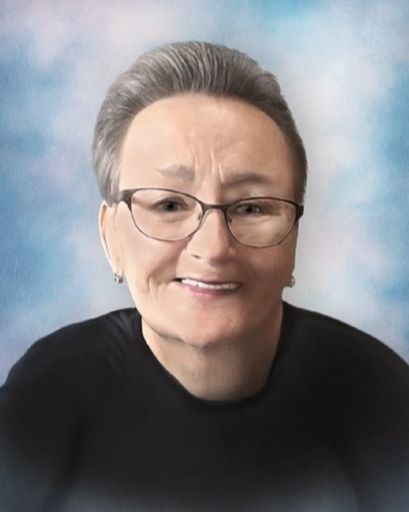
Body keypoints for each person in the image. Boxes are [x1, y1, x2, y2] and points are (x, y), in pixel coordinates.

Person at [1, 41, 408, 512]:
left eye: (252, 208)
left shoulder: (383, 400)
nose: (213, 249)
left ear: (294, 236)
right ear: (111, 236)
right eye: (169, 204)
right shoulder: (46, 397)